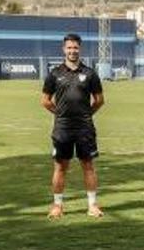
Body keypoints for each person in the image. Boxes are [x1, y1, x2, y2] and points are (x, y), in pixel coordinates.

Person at [41, 33, 105, 219]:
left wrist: (87, 115)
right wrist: (59, 114)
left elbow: (100, 100)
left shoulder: (90, 73)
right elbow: (45, 101)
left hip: (84, 128)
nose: (72, 51)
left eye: (75, 47)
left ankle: (92, 206)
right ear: (64, 49)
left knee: (88, 166)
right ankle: (57, 206)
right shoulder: (54, 74)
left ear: (80, 49)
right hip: (62, 128)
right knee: (60, 167)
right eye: (69, 47)